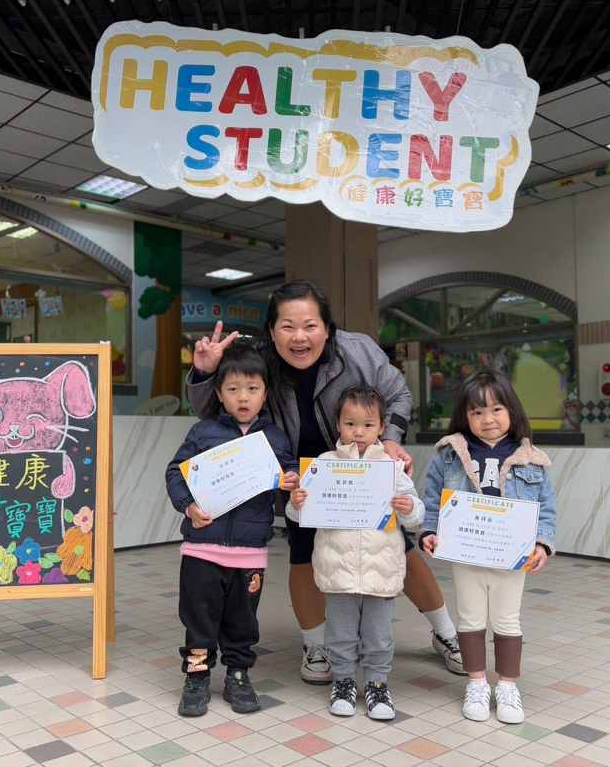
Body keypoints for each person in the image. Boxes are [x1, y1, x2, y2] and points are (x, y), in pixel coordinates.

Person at [186, 280, 463, 685]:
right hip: (301, 477)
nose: (299, 337)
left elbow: (399, 395)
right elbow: (212, 410)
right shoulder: (257, 358)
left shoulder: (358, 350)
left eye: (310, 325)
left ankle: (447, 634)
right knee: (303, 552)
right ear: (271, 331)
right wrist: (204, 371)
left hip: (361, 471)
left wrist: (389, 439)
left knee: (397, 548)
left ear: (327, 328)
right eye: (287, 326)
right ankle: (316, 646)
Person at [165, 344, 299, 717]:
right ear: (219, 393)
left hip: (249, 553)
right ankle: (197, 676)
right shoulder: (203, 432)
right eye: (234, 389)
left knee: (242, 621)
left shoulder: (275, 438)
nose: (243, 397)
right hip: (201, 548)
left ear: (265, 394)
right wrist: (187, 505)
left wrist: (291, 479)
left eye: (252, 389)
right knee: (199, 617)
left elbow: (290, 472)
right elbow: (176, 472)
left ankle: (238, 675)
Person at [418, 370, 558, 725]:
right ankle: (477, 683)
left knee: (507, 619)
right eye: (477, 412)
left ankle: (507, 686)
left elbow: (546, 507)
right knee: (470, 618)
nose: (488, 419)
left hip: (511, 556)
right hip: (466, 553)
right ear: (464, 417)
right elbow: (433, 498)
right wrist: (429, 531)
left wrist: (541, 543)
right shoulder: (450, 454)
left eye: (496, 409)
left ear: (511, 410)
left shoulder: (531, 458)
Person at [287, 387, 422, 720]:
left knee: (379, 635)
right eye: (350, 424)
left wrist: (409, 509)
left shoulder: (392, 468)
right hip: (338, 569)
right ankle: (344, 682)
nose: (358, 432)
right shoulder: (323, 465)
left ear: (382, 427)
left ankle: (377, 684)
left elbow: (417, 516)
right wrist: (296, 504)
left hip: (381, 569)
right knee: (340, 634)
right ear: (338, 424)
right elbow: (299, 515)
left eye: (368, 425)